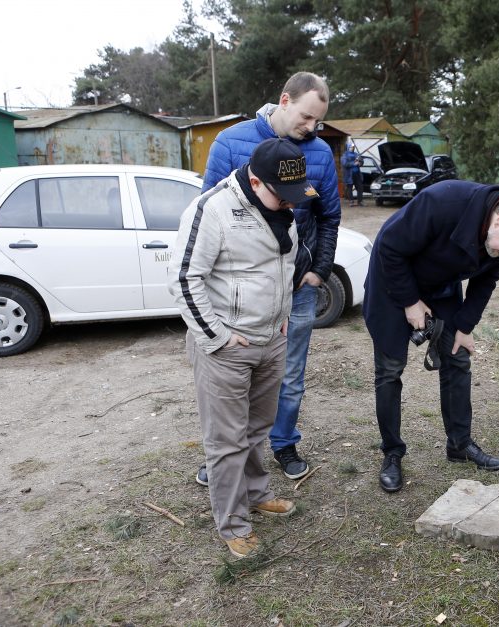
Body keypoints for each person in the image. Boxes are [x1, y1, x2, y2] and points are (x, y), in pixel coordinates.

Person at [169, 138, 318, 557]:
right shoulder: (212, 210)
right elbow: (184, 278)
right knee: (227, 440)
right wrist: (216, 336)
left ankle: (256, 493)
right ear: (255, 181)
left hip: (272, 339)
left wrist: (284, 314)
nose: (291, 206)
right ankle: (232, 522)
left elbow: (284, 264)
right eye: (283, 197)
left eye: (295, 197)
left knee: (256, 430)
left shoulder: (282, 206)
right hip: (227, 347)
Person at [363, 180, 499, 493]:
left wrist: (464, 327)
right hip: (393, 282)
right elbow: (388, 246)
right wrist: (410, 302)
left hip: (440, 285)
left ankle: (459, 444)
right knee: (389, 370)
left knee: (457, 357)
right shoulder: (443, 202)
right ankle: (392, 453)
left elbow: (485, 282)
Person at [196, 72, 340, 484]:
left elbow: (329, 216)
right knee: (233, 377)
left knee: (289, 376)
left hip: (296, 289)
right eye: (307, 118)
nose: (312, 129)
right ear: (284, 100)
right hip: (239, 293)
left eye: (318, 122)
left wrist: (319, 270)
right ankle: (228, 454)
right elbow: (206, 212)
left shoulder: (320, 154)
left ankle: (283, 443)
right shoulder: (230, 142)